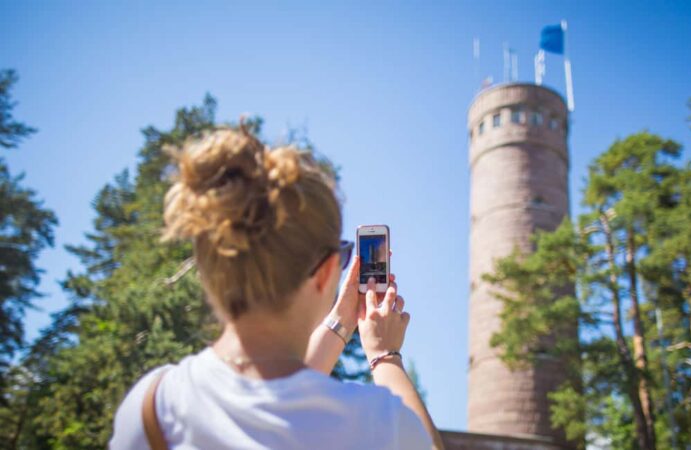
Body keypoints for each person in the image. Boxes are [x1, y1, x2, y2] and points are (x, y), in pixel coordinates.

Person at [109, 124, 444, 449]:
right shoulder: (377, 425)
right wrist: (385, 356)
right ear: (327, 272)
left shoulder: (153, 407)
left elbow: (272, 398)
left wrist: (341, 322)